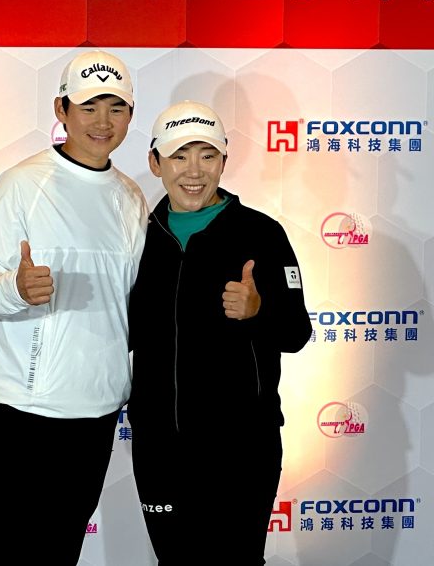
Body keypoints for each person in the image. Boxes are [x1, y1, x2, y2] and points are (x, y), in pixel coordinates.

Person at [0, 50, 148, 566]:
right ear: (61, 110)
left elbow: (133, 303)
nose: (103, 121)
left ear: (130, 115)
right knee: (14, 555)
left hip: (96, 409)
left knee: (62, 553)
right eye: (89, 107)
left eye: (116, 107)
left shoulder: (130, 197)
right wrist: (16, 288)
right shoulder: (21, 184)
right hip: (19, 411)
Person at [128, 100, 313, 566]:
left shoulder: (262, 233)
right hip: (159, 448)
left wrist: (259, 311)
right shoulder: (136, 237)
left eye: (207, 155)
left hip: (242, 449)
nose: (194, 171)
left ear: (224, 161)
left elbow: (296, 332)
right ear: (155, 162)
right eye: (179, 156)